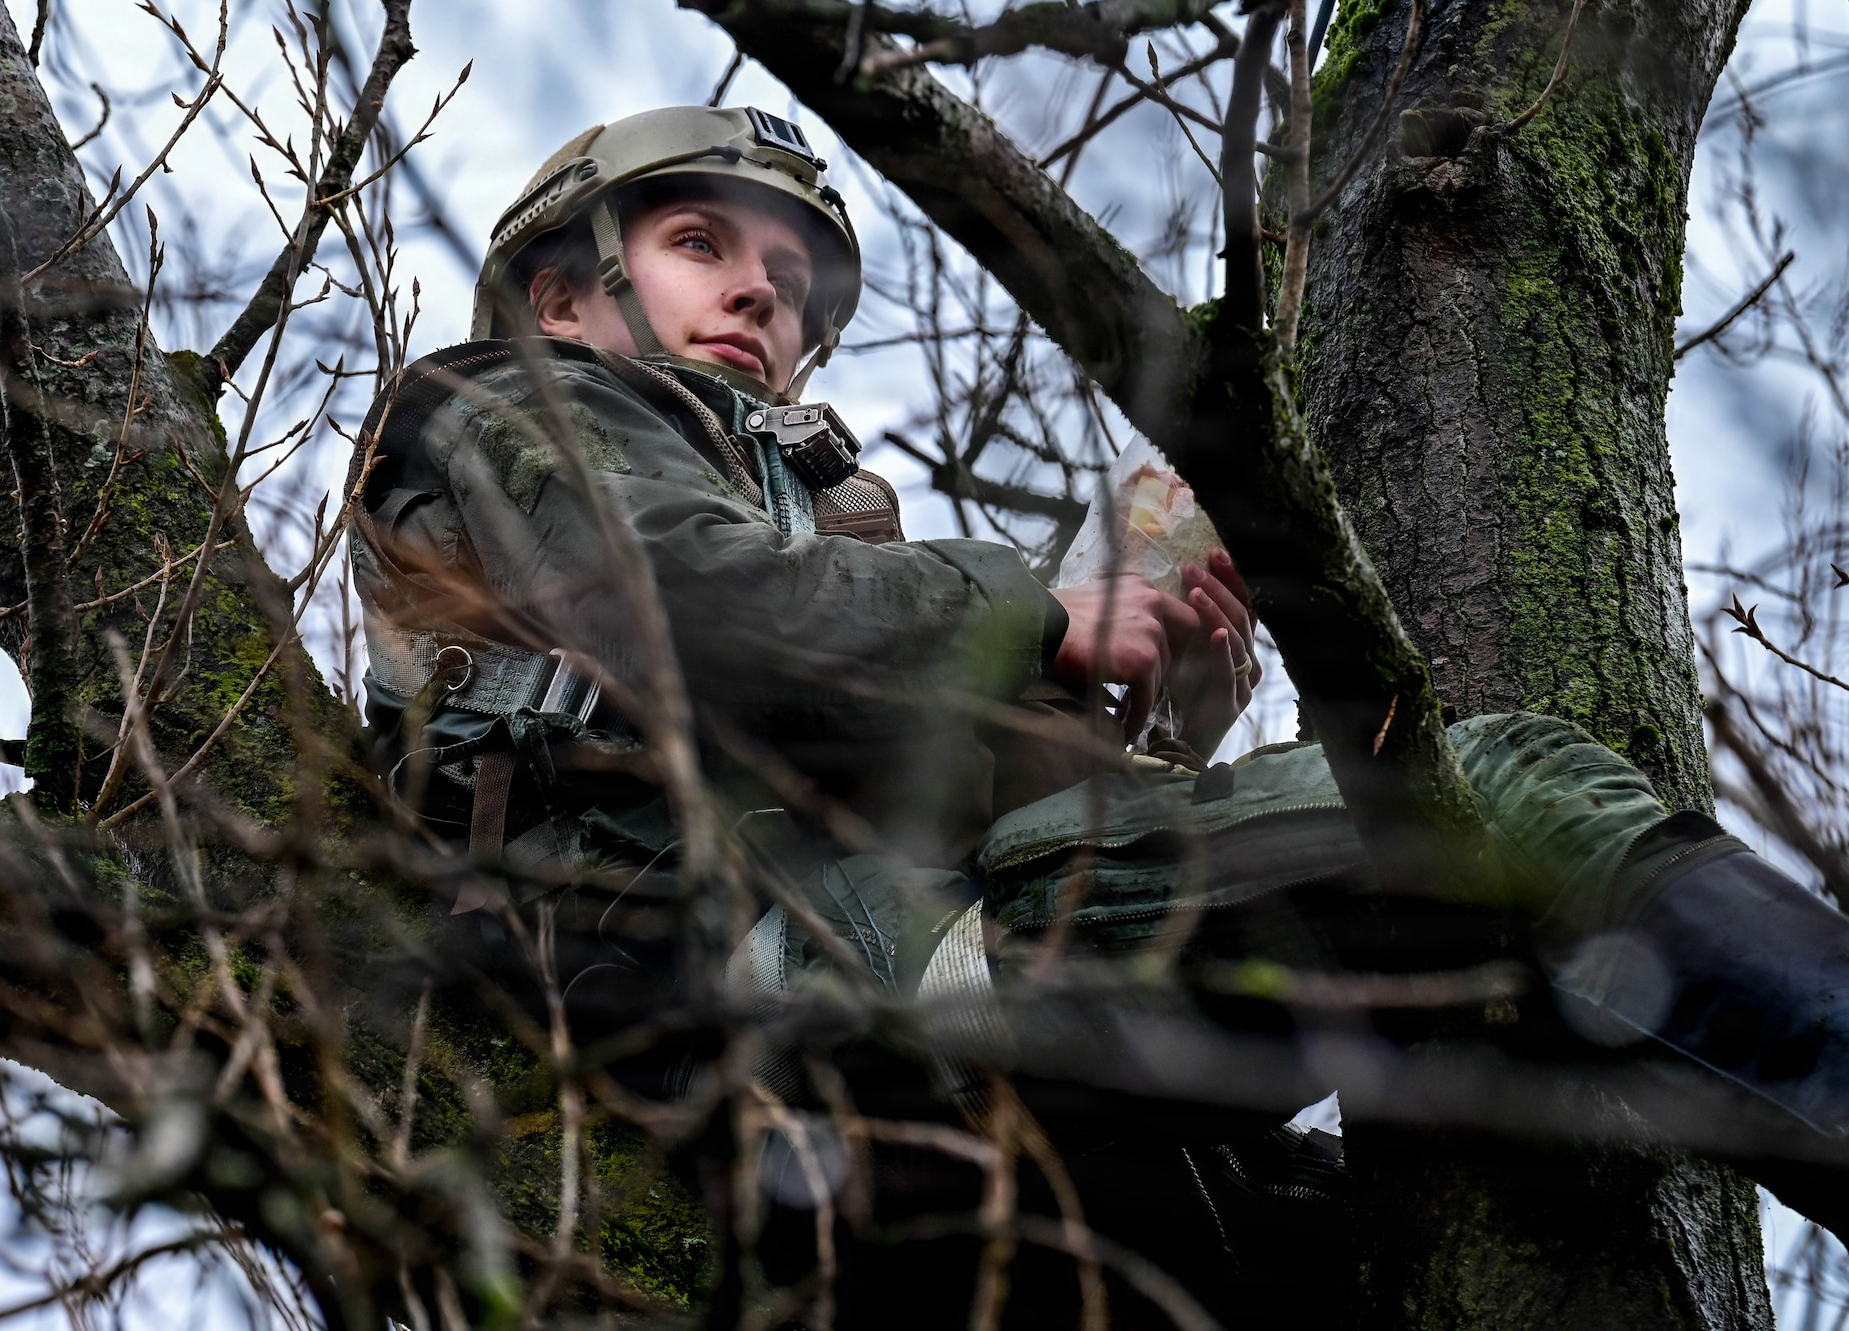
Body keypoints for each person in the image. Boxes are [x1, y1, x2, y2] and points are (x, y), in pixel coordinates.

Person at [350, 105, 1849, 1324]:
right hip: (776, 1031)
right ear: (562, 292)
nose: (763, 293)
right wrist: (1038, 614)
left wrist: (1150, 716)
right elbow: (701, 619)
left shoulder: (806, 534)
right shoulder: (503, 409)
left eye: (792, 282)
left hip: (887, 1059)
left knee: (1425, 1261)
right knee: (1509, 796)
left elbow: (866, 778)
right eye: (700, 244)